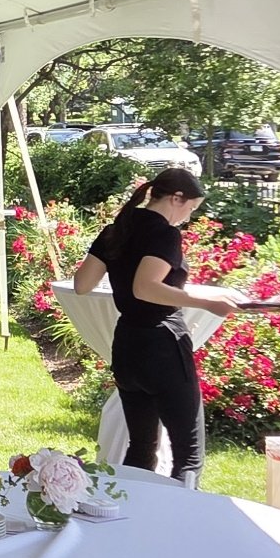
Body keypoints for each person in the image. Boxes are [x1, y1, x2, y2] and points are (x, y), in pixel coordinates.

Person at [71, 169, 246, 487]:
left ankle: (131, 511)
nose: (189, 217)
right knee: (188, 457)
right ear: (176, 198)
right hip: (163, 345)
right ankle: (182, 515)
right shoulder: (165, 234)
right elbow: (145, 287)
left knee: (140, 449)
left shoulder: (116, 230)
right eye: (191, 208)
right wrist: (207, 302)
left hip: (127, 345)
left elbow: (82, 285)